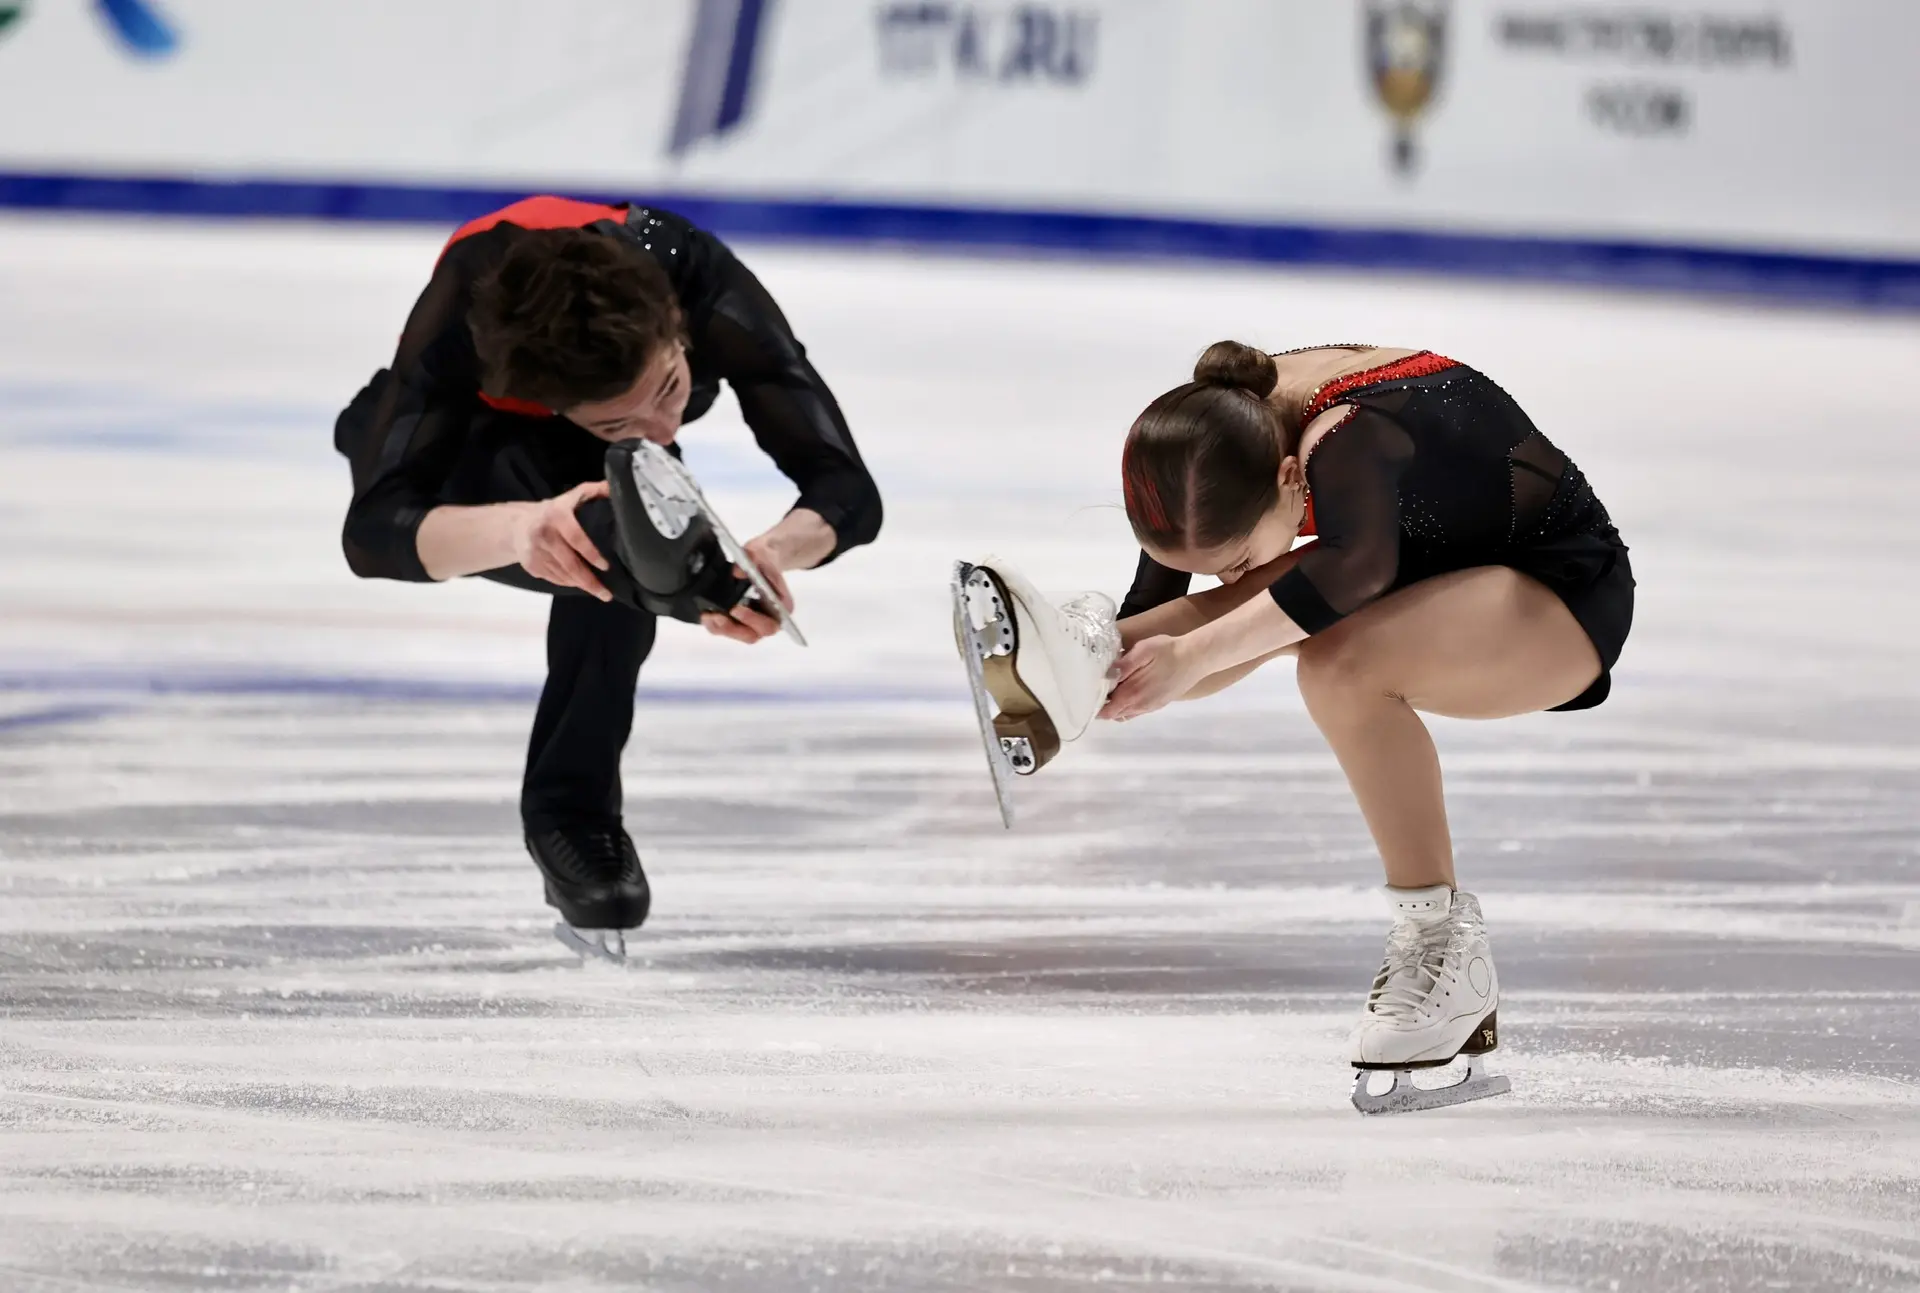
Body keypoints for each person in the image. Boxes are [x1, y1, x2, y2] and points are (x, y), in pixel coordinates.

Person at [961, 341, 1631, 1111]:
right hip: (1438, 560)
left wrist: (1194, 653)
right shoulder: (1211, 443)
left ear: (1289, 478)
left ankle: (1442, 945)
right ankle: (1070, 665)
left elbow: (1357, 569)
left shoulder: (1350, 438)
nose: (1226, 573)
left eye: (1234, 555)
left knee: (1338, 664)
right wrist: (1116, 660)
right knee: (1249, 607)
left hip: (1562, 596)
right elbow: (1179, 604)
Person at [334, 196, 882, 956]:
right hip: (463, 442)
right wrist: (523, 529)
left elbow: (846, 489)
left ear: (678, 329)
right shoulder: (463, 318)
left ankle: (578, 797)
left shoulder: (698, 279)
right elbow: (374, 532)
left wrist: (774, 552)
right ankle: (570, 814)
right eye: (616, 424)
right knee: (610, 529)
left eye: (670, 389)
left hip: (593, 432)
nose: (660, 432)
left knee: (632, 517)